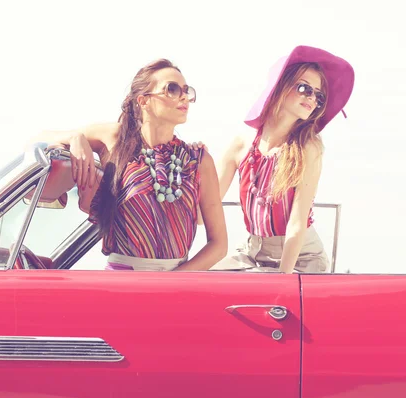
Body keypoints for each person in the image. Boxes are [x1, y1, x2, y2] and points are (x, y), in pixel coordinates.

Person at [37, 59, 227, 271]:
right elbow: (38, 139)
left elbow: (219, 245)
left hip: (180, 282)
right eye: (172, 89)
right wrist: (75, 137)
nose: (184, 97)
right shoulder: (115, 139)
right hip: (122, 284)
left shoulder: (197, 159)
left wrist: (174, 282)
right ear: (143, 101)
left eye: (186, 90)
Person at [214, 45, 355, 273]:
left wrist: (283, 278)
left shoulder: (308, 148)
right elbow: (204, 213)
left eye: (319, 96)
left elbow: (297, 223)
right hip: (252, 252)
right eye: (304, 88)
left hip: (299, 258)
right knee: (206, 283)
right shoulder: (241, 144)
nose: (312, 98)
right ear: (280, 86)